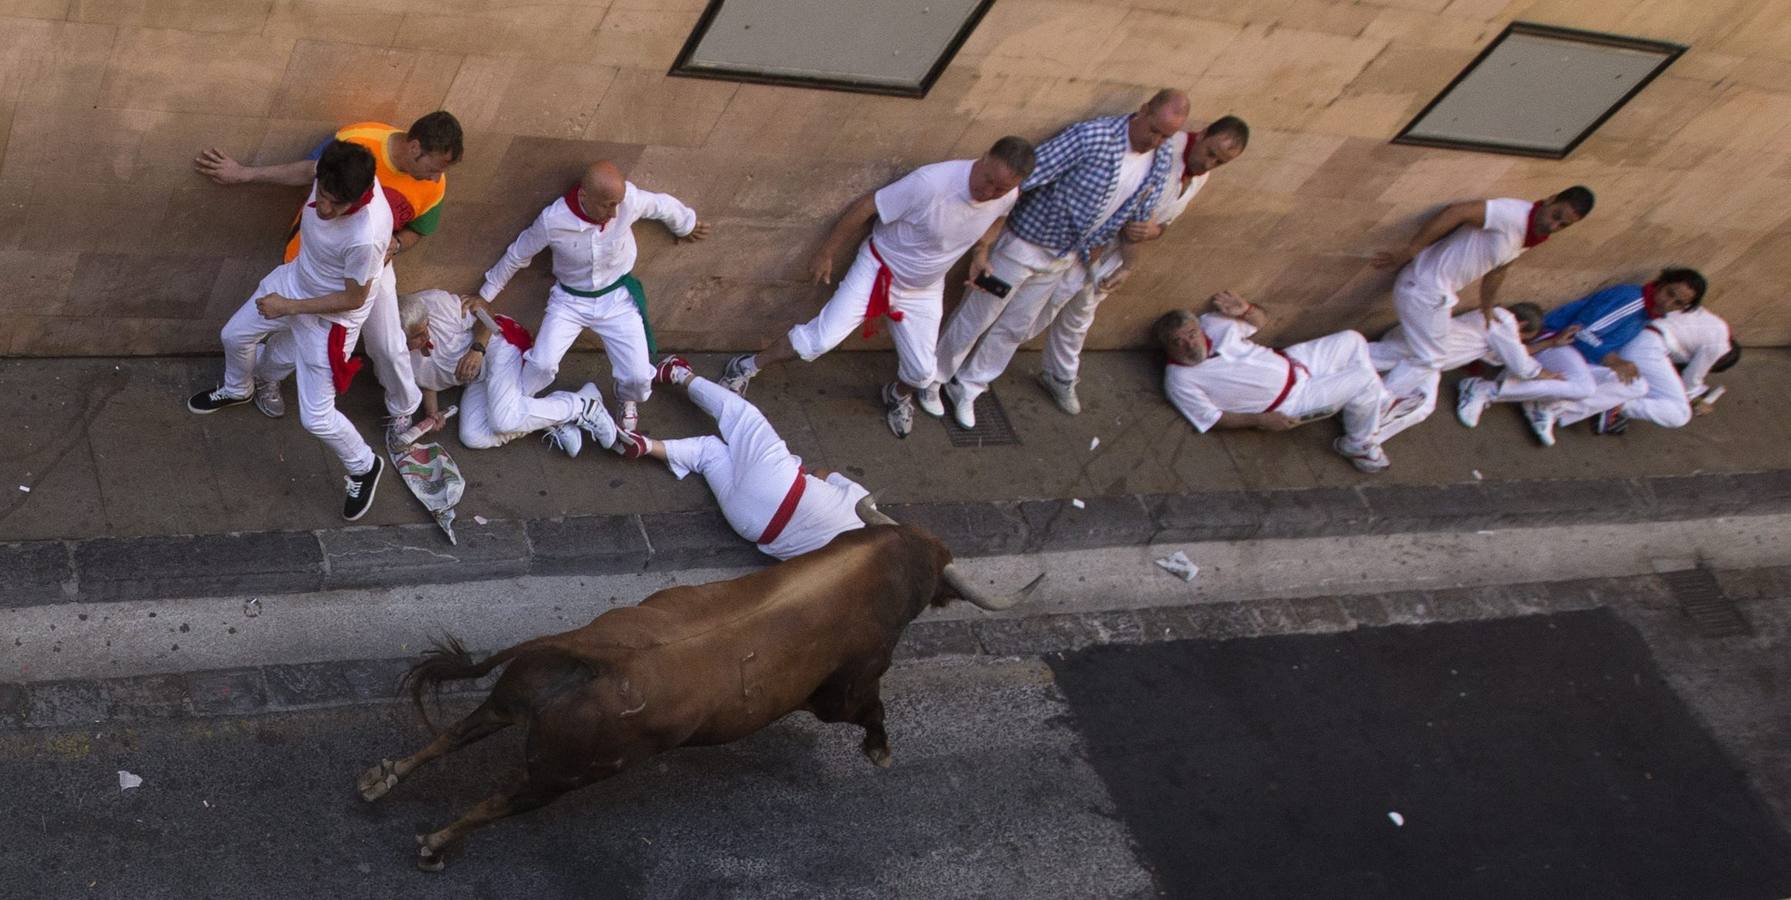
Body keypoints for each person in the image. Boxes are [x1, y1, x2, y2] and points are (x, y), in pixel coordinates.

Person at [716, 137, 1035, 438]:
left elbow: (999, 217)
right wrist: (827, 251)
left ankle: (896, 395)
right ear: (984, 158)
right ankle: (745, 366)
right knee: (819, 340)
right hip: (878, 268)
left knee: (923, 373)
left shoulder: (1006, 195)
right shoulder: (931, 183)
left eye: (1001, 188)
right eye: (989, 180)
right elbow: (868, 206)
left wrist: (980, 252)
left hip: (924, 288)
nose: (989, 191)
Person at [195, 112, 464, 446]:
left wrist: (394, 244)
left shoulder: (420, 195)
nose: (438, 177)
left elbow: (418, 231)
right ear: (414, 148)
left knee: (388, 344)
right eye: (435, 167)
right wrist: (244, 174)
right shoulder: (359, 140)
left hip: (369, 268)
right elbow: (309, 170)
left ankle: (401, 409)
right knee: (272, 335)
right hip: (315, 263)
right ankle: (258, 382)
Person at [934, 89, 1190, 428]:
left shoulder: (1161, 157)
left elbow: (1138, 216)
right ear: (1143, 111)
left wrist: (1127, 264)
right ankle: (934, 378)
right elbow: (1025, 181)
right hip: (1024, 243)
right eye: (1154, 130)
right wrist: (984, 242)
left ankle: (969, 386)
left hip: (1065, 256)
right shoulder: (1092, 136)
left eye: (1165, 136)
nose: (1155, 140)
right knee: (978, 314)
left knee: (1015, 326)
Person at [187, 141, 392, 520]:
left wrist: (289, 308)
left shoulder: (367, 235)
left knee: (316, 418)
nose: (324, 209)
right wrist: (243, 173)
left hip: (330, 321)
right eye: (323, 197)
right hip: (295, 282)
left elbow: (354, 297)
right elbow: (304, 171)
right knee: (234, 335)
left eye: (337, 205)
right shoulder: (328, 172)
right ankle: (238, 389)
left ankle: (364, 465)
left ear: (360, 198)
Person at [470, 160, 710, 433]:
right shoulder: (553, 219)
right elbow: (518, 254)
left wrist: (686, 224)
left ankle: (626, 398)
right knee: (542, 363)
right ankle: (525, 404)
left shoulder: (627, 200)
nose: (614, 212)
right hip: (569, 301)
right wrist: (485, 295)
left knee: (639, 376)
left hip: (617, 298)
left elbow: (661, 205)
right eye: (607, 204)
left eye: (617, 203)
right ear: (584, 196)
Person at [1033, 116, 1250, 415]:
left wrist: (1155, 232)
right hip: (1087, 244)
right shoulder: (1164, 150)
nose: (1210, 163)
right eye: (1211, 153)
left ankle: (1059, 375)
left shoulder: (1200, 176)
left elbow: (1165, 222)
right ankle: (981, 365)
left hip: (1117, 257)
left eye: (1221, 162)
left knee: (1080, 315)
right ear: (1201, 136)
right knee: (1041, 308)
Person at [612, 356, 869, 560]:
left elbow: (823, 473)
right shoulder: (847, 569)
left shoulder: (866, 506)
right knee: (709, 453)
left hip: (783, 486)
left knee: (743, 417)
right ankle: (646, 445)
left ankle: (678, 373)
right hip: (751, 525)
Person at [1455, 268, 1707, 446]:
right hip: (1559, 341)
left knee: (1637, 385)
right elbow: (1581, 332)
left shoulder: (1648, 314)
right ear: (1661, 283)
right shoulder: (1632, 301)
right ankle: (1483, 389)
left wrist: (1613, 363)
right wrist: (1613, 360)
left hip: (1582, 356)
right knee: (1582, 386)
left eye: (1677, 303)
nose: (1669, 303)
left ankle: (1547, 406)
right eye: (1670, 293)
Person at [1371, 186, 1594, 381]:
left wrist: (1487, 307)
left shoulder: (1531, 235)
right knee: (1432, 359)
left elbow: (1499, 270)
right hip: (1424, 287)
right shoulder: (1512, 214)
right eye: (1555, 216)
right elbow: (1457, 211)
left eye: (1562, 225)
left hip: (1435, 291)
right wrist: (1410, 250)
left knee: (1415, 353)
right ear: (1550, 199)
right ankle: (1382, 402)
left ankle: (1349, 359)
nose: (1553, 226)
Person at [1155, 291, 1390, 473]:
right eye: (1178, 341)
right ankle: (1358, 446)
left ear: (1198, 327)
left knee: (1352, 339)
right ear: (1168, 347)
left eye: (1191, 334)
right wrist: (1261, 420)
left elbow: (1260, 321)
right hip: (1293, 400)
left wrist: (1246, 309)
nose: (1189, 344)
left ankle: (1358, 406)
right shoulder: (1179, 379)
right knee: (1365, 379)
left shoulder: (1215, 324)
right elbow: (1213, 418)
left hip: (1296, 361)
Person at [395, 289, 617, 456]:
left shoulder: (435, 304)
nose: (426, 337)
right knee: (472, 436)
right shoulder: (396, 358)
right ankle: (552, 417)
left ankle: (581, 407)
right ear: (397, 338)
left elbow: (486, 318)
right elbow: (427, 381)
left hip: (496, 346)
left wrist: (477, 350)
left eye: (426, 328)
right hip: (476, 379)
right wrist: (432, 412)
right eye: (417, 336)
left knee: (503, 421)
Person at [1367, 302, 1550, 442]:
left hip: (1421, 347)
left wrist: (1551, 343)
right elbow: (1521, 365)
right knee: (1416, 400)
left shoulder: (1491, 318)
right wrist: (1546, 375)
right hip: (1423, 353)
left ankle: (1368, 429)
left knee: (1371, 361)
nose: (1519, 342)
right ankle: (1366, 432)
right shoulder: (1504, 326)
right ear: (1523, 323)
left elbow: (1501, 356)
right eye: (1522, 338)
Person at [1556, 307, 1738, 434]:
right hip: (1648, 347)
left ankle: (1596, 397)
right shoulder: (1719, 346)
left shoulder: (1709, 320)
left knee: (1650, 385)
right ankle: (1616, 405)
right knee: (1680, 414)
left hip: (1634, 336)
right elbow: (1691, 381)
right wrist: (1696, 400)